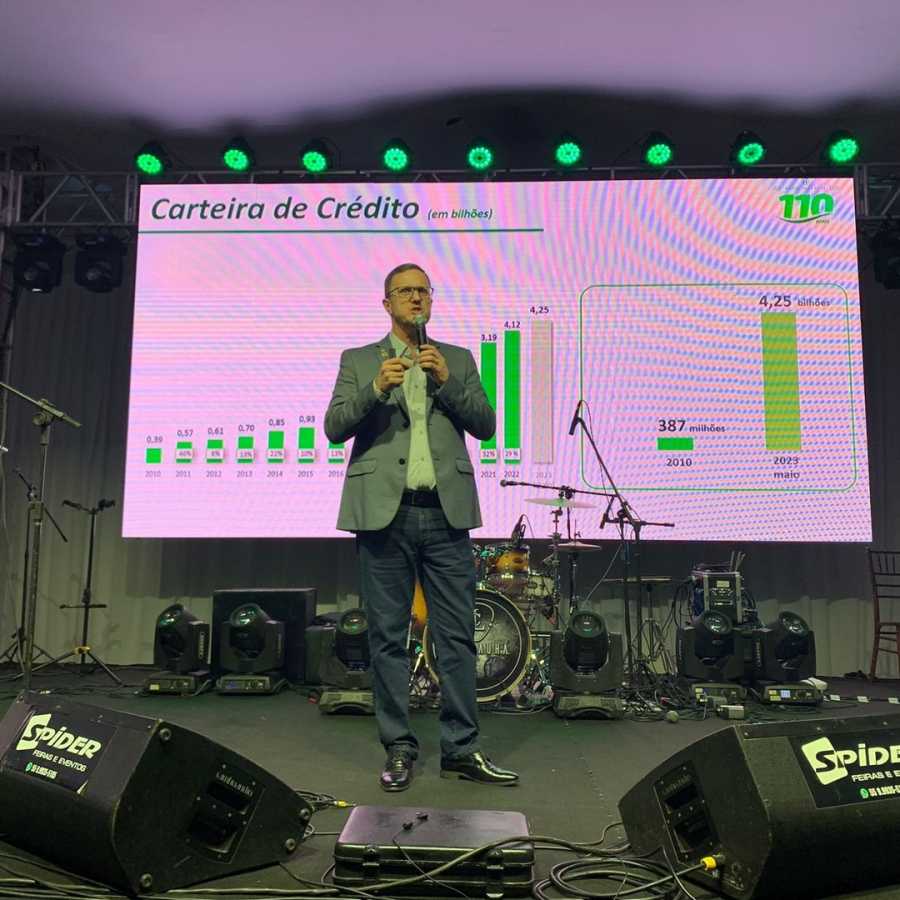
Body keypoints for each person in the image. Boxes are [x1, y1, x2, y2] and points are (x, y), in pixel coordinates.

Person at [324, 263, 519, 791]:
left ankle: (461, 748)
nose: (415, 298)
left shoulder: (456, 359)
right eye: (404, 291)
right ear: (386, 303)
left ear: (431, 301)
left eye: (422, 291)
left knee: (456, 636)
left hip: (443, 514)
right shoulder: (359, 360)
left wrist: (446, 382)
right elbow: (334, 427)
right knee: (388, 638)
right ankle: (399, 747)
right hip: (383, 516)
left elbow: (486, 424)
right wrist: (374, 389)